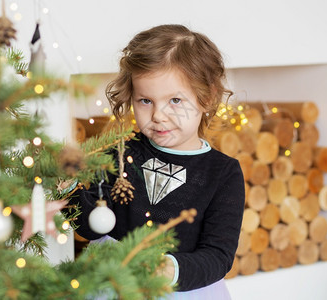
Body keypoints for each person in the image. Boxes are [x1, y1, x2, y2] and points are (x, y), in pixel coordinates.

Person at [71, 24, 245, 299]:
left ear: (207, 98)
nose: (159, 115)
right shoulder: (118, 154)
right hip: (112, 283)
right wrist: (70, 189)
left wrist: (170, 269)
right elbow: (86, 226)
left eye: (175, 100)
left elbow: (218, 256)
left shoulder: (223, 173)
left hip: (181, 290)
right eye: (145, 101)